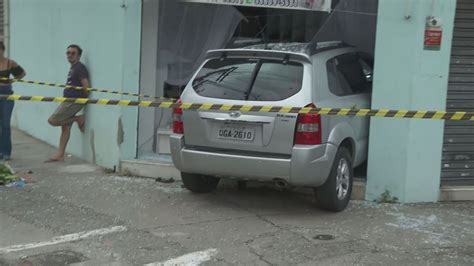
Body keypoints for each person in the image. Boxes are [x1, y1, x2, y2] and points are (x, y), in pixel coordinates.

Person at [46, 44, 90, 162]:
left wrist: (82, 100)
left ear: (79, 55)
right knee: (65, 127)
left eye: (73, 53)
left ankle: (78, 119)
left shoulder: (80, 67)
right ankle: (60, 154)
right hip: (69, 101)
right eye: (68, 53)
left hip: (72, 102)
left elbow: (86, 86)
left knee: (53, 121)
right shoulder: (74, 67)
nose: (70, 55)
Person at [0, 41, 26, 161]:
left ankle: (6, 152)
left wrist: (12, 81)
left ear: (3, 50)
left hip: (6, 96)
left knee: (5, 125)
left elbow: (22, 73)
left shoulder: (10, 63)